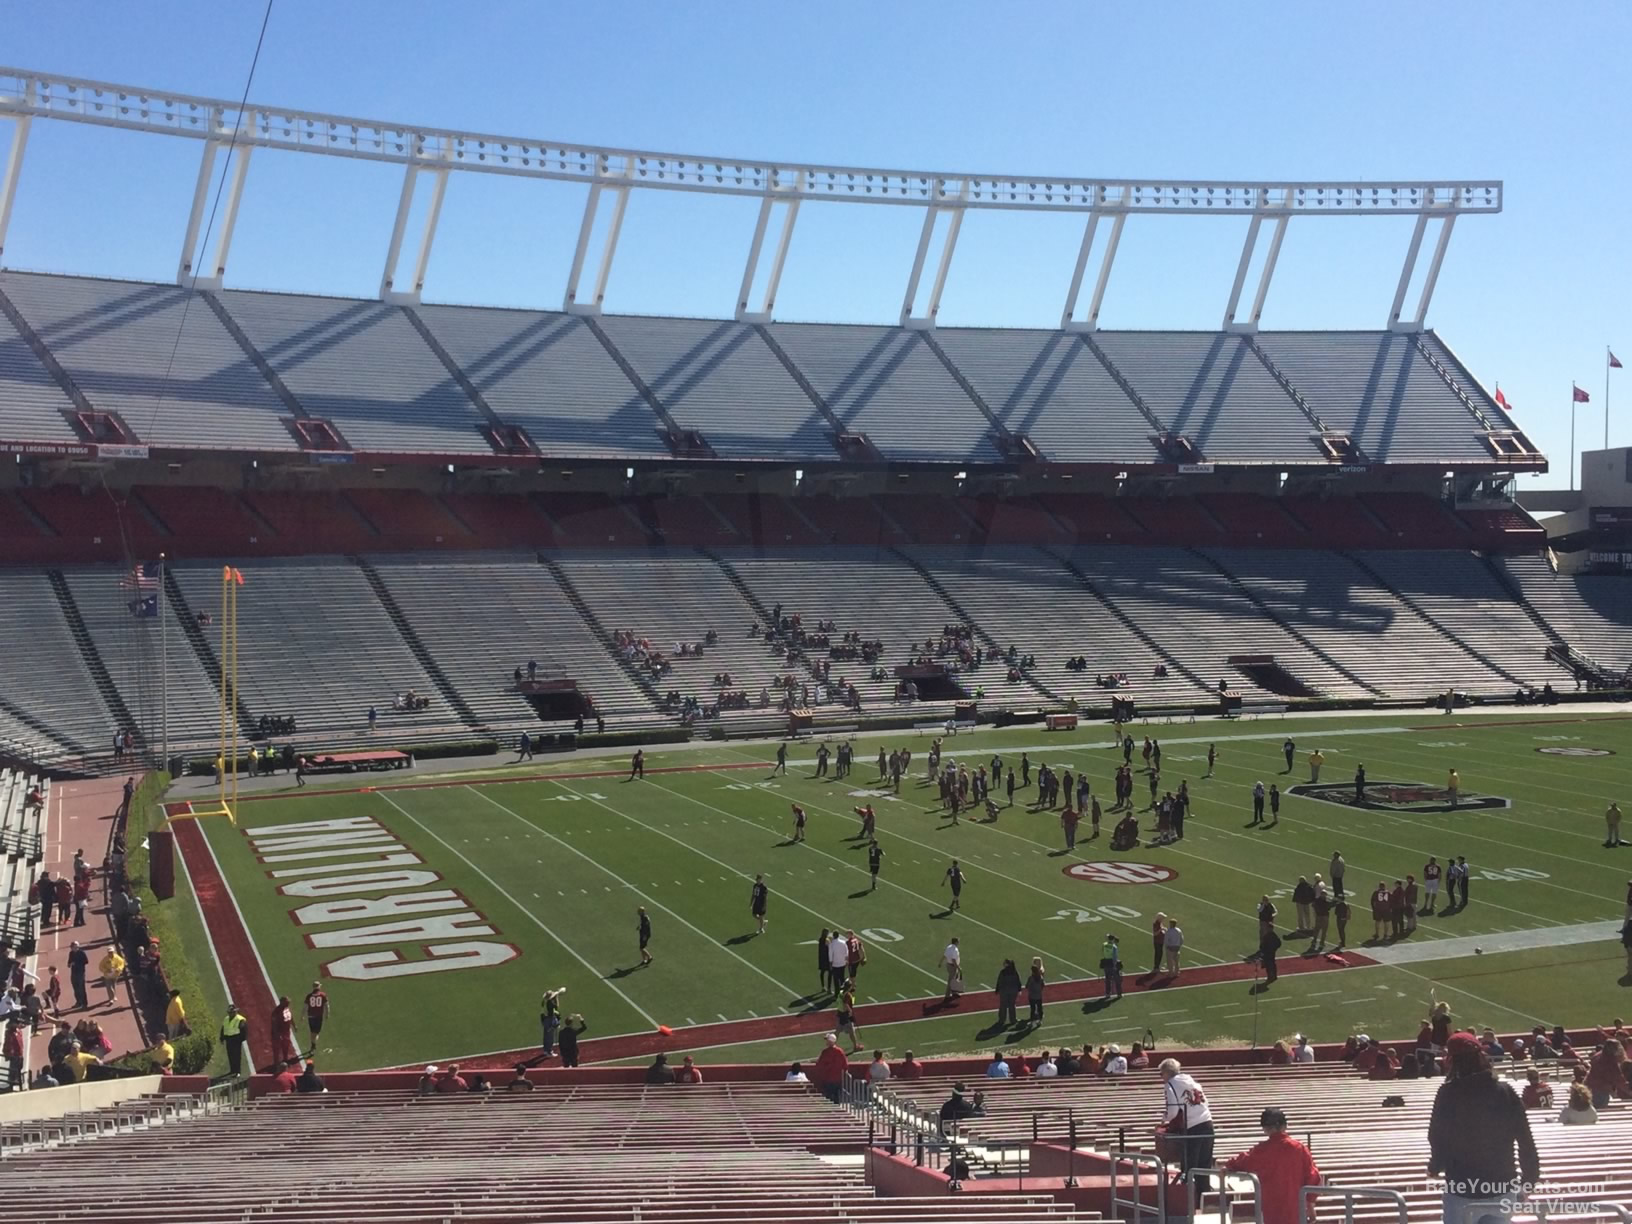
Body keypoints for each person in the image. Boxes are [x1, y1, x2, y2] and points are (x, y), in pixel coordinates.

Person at [1428, 1032, 1540, 1224]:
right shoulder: (1505, 1092)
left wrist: (1435, 1166)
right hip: (1501, 1186)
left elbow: (1437, 1137)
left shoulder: (1447, 1094)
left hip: (1461, 1188)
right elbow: (1525, 1138)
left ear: (1452, 1061)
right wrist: (1529, 1178)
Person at [1218, 1107, 1322, 1224]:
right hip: (1296, 1210)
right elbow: (1313, 1177)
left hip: (1272, 1211)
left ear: (1265, 1129)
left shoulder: (1261, 1151)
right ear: (1285, 1126)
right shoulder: (1299, 1149)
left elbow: (1243, 1161)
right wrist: (1311, 1204)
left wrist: (1228, 1165)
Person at [1159, 1058, 1215, 1197]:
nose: (1161, 1077)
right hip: (1207, 1122)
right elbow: (1205, 1102)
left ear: (1167, 1072)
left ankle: (1189, 1198)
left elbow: (1172, 1111)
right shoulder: (1192, 1081)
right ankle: (1205, 1195)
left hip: (1192, 1126)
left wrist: (1164, 1118)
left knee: (1189, 1165)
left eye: (1161, 1074)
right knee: (1204, 1164)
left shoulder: (1170, 1085)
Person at [812, 1033, 849, 1103]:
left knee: (828, 1098)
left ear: (830, 1041)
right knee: (837, 1098)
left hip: (828, 1079)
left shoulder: (825, 1052)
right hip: (838, 1079)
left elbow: (820, 1064)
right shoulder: (840, 1051)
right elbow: (845, 1065)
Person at [220, 1004, 248, 1077]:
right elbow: (223, 1028)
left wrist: (241, 1039)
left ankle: (237, 1071)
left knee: (237, 1055)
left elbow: (244, 1030)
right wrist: (222, 1038)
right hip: (229, 1039)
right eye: (229, 1012)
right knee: (230, 1055)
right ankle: (232, 1070)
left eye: (232, 1012)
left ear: (235, 1012)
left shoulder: (240, 1019)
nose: (230, 1013)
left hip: (236, 1039)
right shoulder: (226, 1019)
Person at [270, 996, 297, 1067]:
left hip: (286, 1032)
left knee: (286, 1047)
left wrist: (294, 1025)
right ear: (282, 1002)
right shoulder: (276, 1012)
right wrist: (278, 1034)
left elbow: (290, 1017)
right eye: (287, 1002)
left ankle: (285, 1061)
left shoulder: (286, 1008)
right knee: (277, 1050)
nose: (289, 1003)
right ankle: (276, 1065)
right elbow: (274, 1024)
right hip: (279, 1033)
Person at [835, 980, 862, 1053]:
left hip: (840, 1013)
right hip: (846, 1015)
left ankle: (832, 1044)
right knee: (851, 1031)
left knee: (838, 1030)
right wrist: (850, 1011)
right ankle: (855, 1046)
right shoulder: (848, 995)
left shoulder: (841, 993)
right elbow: (846, 1003)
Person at [994, 960, 1021, 1027]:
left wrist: (997, 989)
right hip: (1013, 991)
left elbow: (1000, 981)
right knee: (1012, 1005)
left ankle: (1002, 1020)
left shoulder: (1003, 972)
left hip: (1004, 991)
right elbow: (1018, 981)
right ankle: (1013, 1019)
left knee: (1003, 1005)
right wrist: (1019, 989)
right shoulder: (1014, 972)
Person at [540, 986, 566, 1056]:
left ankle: (546, 1050)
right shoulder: (550, 1004)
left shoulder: (544, 1002)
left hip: (544, 1018)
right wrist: (557, 997)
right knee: (550, 1036)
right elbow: (557, 1007)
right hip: (549, 1019)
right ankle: (549, 1051)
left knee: (546, 1035)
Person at [304, 981, 328, 1050]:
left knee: (312, 1032)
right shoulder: (323, 995)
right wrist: (327, 1013)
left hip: (310, 1016)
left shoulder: (309, 996)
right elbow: (326, 1006)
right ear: (319, 986)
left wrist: (303, 1015)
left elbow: (305, 1006)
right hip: (318, 1016)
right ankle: (314, 1043)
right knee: (316, 1033)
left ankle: (312, 1044)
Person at [1101, 934, 1123, 999]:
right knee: (1117, 979)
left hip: (1105, 962)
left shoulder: (1104, 944)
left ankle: (1108, 993)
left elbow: (1103, 951)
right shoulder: (1114, 947)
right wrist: (1115, 965)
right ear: (1113, 939)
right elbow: (1114, 957)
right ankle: (1119, 994)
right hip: (1112, 963)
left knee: (1108, 979)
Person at [942, 937, 963, 1003]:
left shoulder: (949, 947)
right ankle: (947, 996)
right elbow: (953, 960)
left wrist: (940, 962)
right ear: (956, 942)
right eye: (958, 941)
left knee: (955, 979)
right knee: (951, 981)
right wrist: (958, 967)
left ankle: (954, 992)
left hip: (948, 965)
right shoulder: (955, 950)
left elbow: (944, 955)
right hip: (953, 966)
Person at [1026, 957, 1046, 1023]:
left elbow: (1027, 986)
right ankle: (1040, 1019)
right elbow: (1043, 985)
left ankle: (1032, 1020)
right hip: (1038, 995)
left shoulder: (1031, 978)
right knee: (1039, 1008)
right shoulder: (1040, 977)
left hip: (1032, 996)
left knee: (1033, 1009)